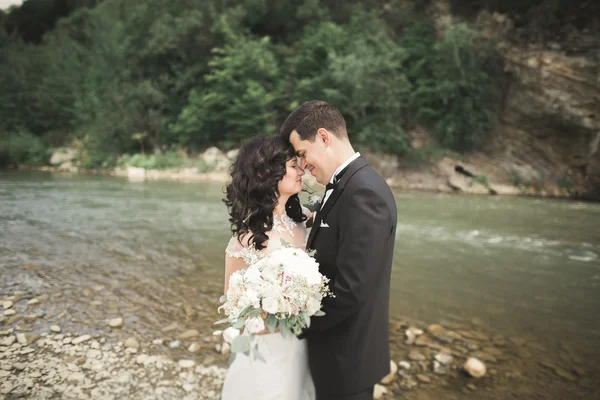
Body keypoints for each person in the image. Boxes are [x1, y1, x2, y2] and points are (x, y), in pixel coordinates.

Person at [280, 100, 397, 400]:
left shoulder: (364, 192)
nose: (303, 165)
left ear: (324, 137)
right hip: (336, 354)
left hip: (347, 358)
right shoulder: (349, 186)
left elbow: (352, 288)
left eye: (303, 154)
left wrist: (298, 324)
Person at [221, 136, 316, 400]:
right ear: (268, 173)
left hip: (304, 344)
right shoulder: (245, 240)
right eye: (293, 165)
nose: (301, 171)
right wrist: (279, 307)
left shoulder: (305, 221)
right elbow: (232, 305)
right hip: (268, 350)